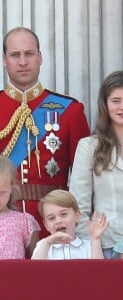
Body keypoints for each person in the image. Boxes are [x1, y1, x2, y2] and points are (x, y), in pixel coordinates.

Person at [0, 27, 90, 238]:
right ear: (4, 60)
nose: (23, 61)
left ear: (40, 57)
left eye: (29, 54)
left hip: (51, 224)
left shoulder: (70, 110)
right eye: (15, 55)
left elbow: (84, 179)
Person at [69, 70, 123, 259]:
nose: (121, 107)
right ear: (105, 105)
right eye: (116, 101)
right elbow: (78, 206)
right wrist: (91, 247)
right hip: (105, 247)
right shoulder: (89, 147)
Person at [31, 189, 107, 259]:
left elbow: (98, 271)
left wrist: (96, 240)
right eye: (51, 218)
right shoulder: (43, 245)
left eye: (63, 214)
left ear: (77, 216)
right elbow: (34, 271)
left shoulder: (88, 246)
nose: (58, 221)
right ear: (46, 225)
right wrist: (47, 243)